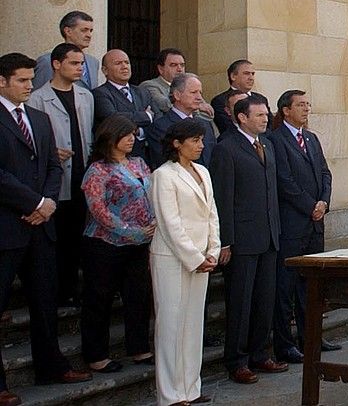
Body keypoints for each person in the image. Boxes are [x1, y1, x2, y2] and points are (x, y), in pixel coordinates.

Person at [0, 53, 92, 406]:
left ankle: (51, 365)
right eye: (22, 81)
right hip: (8, 226)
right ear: (4, 81)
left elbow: (53, 165)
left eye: (29, 80)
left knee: (44, 301)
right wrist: (34, 204)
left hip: (42, 227)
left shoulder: (37, 118)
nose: (28, 87)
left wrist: (48, 203)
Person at [210, 97, 287, 384]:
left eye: (266, 115)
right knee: (240, 303)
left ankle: (259, 353)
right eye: (259, 115)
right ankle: (237, 360)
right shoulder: (226, 149)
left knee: (264, 300)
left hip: (268, 237)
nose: (265, 119)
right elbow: (223, 198)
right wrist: (225, 241)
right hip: (242, 240)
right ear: (241, 118)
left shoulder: (266, 144)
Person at [150, 118, 220, 406]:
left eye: (201, 140)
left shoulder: (203, 171)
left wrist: (213, 250)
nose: (200, 146)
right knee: (170, 324)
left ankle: (191, 387)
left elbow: (211, 214)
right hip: (171, 258)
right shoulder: (164, 175)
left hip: (202, 256)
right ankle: (170, 394)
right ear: (177, 143)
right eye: (194, 140)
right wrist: (194, 257)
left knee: (193, 325)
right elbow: (169, 223)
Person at [79, 114, 155, 373]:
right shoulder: (97, 170)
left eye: (134, 134)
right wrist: (131, 231)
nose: (132, 139)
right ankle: (96, 355)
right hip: (105, 244)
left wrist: (151, 226)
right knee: (99, 299)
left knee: (139, 296)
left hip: (140, 242)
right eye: (126, 135)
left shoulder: (140, 164)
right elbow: (98, 210)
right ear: (111, 136)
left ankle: (140, 348)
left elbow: (151, 194)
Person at [268, 90, 338, 363]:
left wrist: (324, 202)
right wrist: (310, 206)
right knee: (286, 288)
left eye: (308, 104)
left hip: (315, 225)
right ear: (286, 110)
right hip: (293, 225)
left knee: (312, 286)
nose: (306, 109)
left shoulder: (311, 138)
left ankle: (312, 337)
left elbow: (324, 173)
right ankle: (285, 344)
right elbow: (285, 181)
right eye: (301, 105)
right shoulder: (276, 140)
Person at [27, 43, 96, 307]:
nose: (79, 68)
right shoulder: (37, 98)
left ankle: (74, 289)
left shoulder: (85, 96)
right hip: (55, 181)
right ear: (57, 64)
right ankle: (57, 291)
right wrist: (51, 151)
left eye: (81, 64)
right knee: (58, 237)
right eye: (73, 63)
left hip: (83, 176)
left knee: (79, 236)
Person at [92, 50, 157, 166]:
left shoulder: (142, 92)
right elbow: (112, 118)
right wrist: (145, 116)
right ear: (105, 70)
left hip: (143, 158)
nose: (124, 67)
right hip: (112, 161)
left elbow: (155, 119)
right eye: (118, 63)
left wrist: (140, 131)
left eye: (127, 62)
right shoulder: (100, 93)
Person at [147, 74, 218, 169]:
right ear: (177, 95)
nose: (199, 98)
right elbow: (165, 163)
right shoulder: (160, 127)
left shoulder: (205, 124)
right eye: (193, 92)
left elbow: (214, 157)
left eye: (200, 93)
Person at [33, 11, 101, 90]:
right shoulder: (47, 61)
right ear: (68, 31)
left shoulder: (93, 62)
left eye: (90, 31)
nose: (89, 35)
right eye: (84, 30)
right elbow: (38, 95)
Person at [209, 60, 268, 136]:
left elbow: (269, 127)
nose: (251, 78)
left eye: (253, 74)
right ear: (233, 76)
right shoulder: (220, 100)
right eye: (246, 73)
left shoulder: (261, 99)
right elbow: (226, 127)